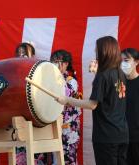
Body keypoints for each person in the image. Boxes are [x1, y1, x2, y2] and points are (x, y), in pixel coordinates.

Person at [55, 36, 129, 165]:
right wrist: (96, 73)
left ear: (104, 52)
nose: (96, 54)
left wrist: (67, 100)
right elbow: (108, 96)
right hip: (122, 134)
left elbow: (92, 104)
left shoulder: (103, 75)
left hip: (106, 136)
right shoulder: (119, 73)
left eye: (97, 51)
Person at [50, 50, 82, 165]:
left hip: (69, 126)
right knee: (56, 157)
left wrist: (58, 76)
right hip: (56, 122)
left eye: (58, 62)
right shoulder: (51, 80)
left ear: (66, 64)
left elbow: (67, 94)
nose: (55, 64)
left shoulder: (71, 80)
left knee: (68, 157)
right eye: (53, 62)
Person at [120, 48, 139, 165]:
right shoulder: (119, 83)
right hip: (121, 137)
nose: (123, 64)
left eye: (126, 60)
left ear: (136, 62)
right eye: (121, 61)